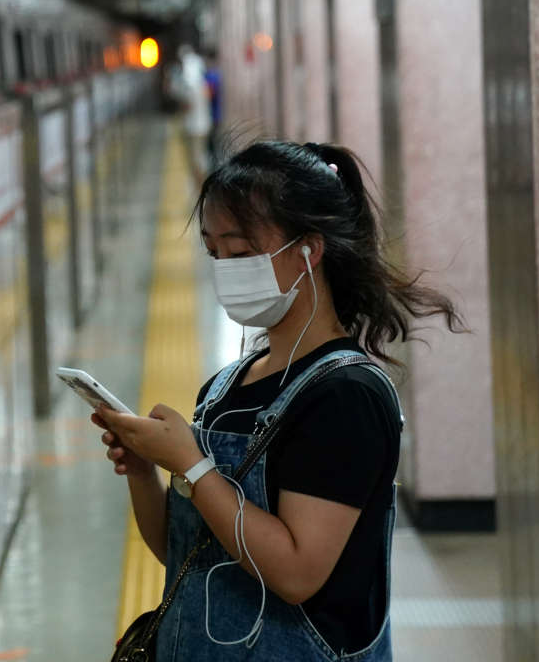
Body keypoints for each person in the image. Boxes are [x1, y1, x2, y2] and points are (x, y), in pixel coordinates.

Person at [94, 141, 462, 661]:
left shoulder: (347, 397)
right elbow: (187, 555)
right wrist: (143, 472)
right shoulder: (226, 387)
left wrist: (193, 467)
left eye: (241, 253)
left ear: (310, 250)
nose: (225, 269)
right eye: (214, 253)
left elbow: (296, 572)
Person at [174, 44, 212, 185]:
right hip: (204, 124)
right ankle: (201, 182)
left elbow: (187, 106)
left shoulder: (190, 85)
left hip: (195, 127)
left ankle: (200, 183)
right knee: (201, 155)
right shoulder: (203, 84)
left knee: (197, 157)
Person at [203, 49, 223, 167]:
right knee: (214, 142)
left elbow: (209, 94)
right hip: (216, 114)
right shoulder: (217, 74)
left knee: (212, 144)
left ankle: (214, 166)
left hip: (212, 115)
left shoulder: (211, 76)